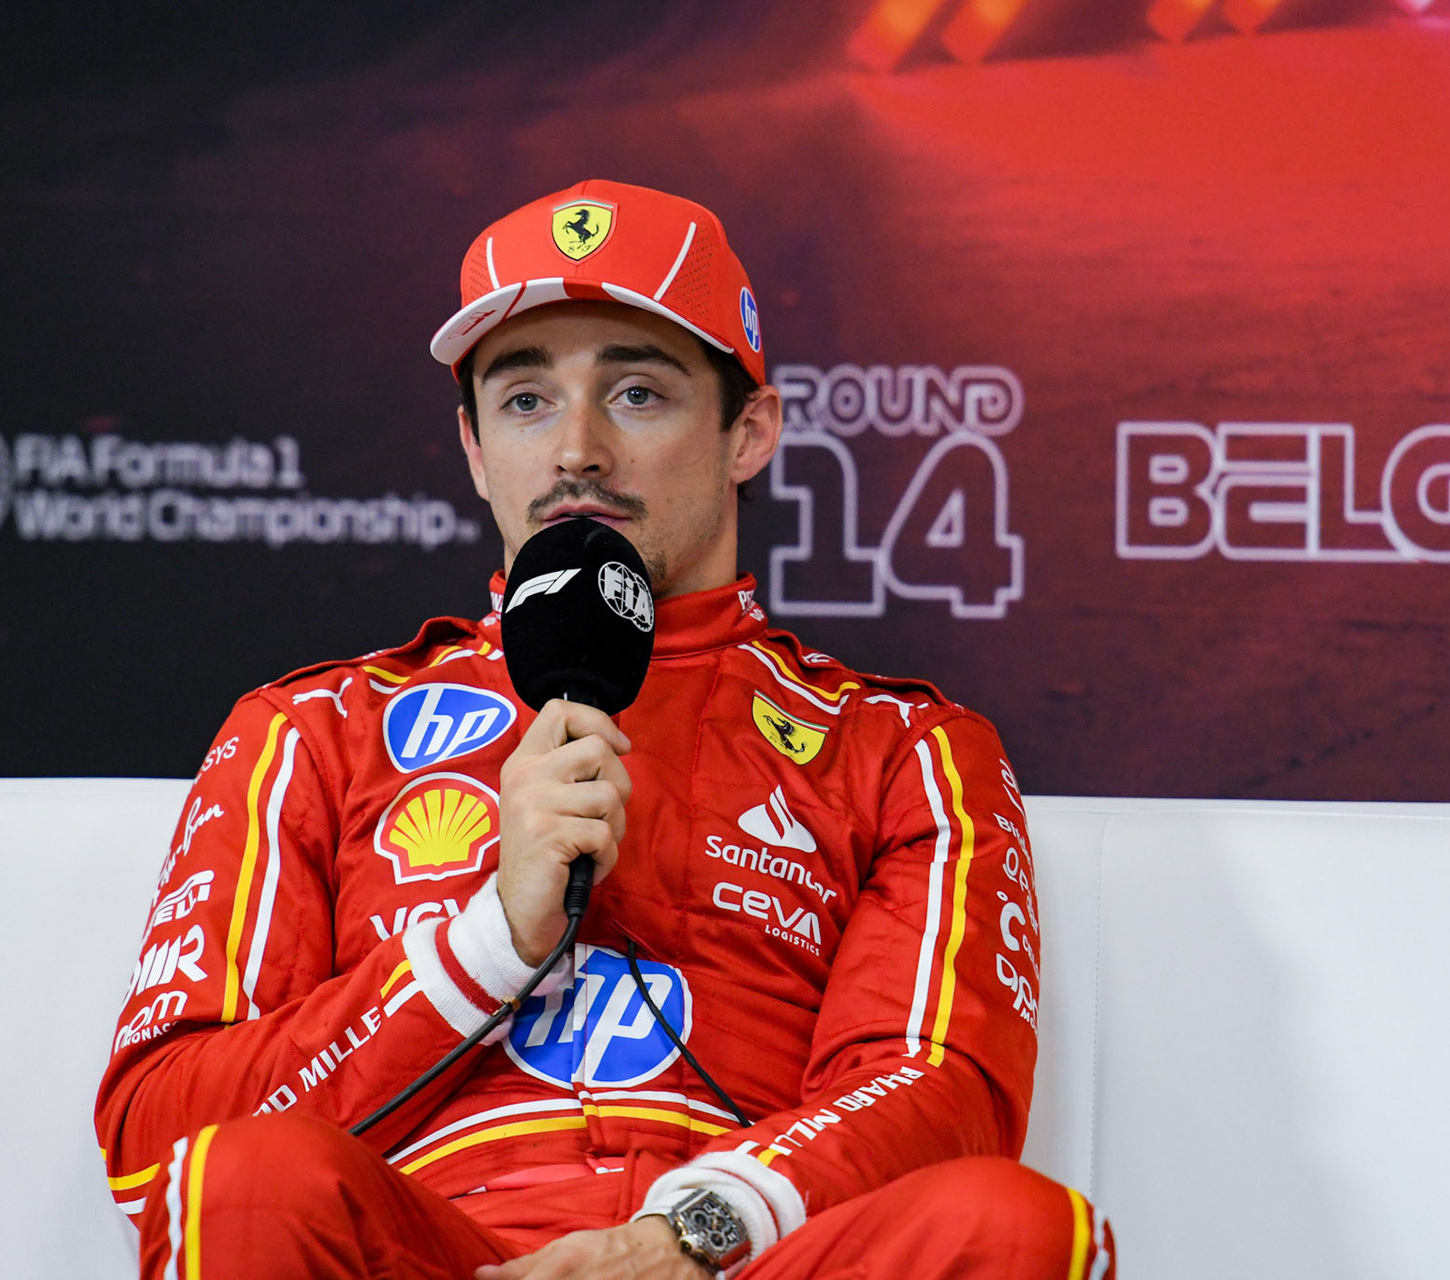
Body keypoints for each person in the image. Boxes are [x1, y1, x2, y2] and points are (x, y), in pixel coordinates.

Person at [94, 178, 1114, 1279]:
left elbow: (941, 1086)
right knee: (236, 1182)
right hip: (429, 1250)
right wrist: (493, 938)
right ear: (477, 450)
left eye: (635, 392)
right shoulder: (312, 728)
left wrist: (689, 1235)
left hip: (742, 1255)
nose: (576, 449)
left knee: (1017, 1226)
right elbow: (155, 1145)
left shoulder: (908, 750)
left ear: (749, 431)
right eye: (526, 400)